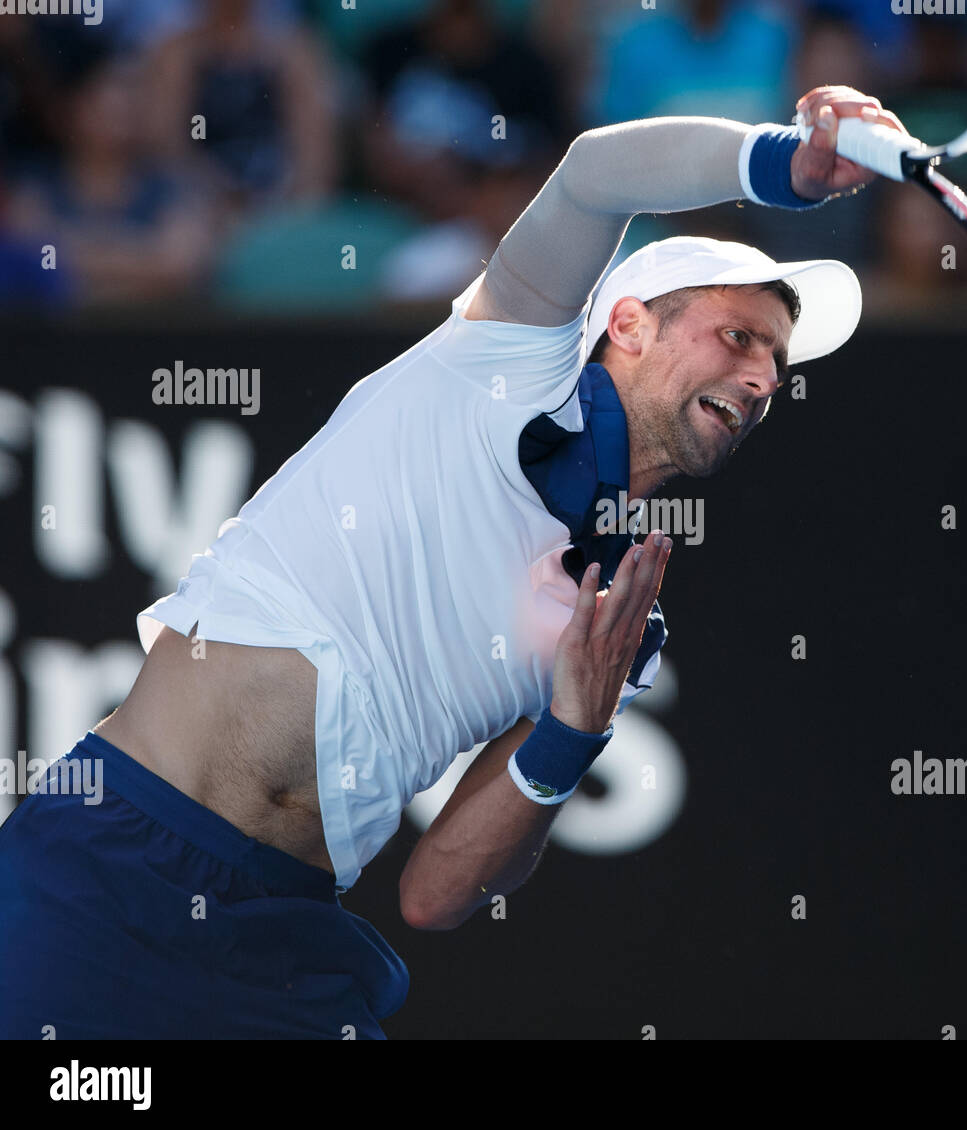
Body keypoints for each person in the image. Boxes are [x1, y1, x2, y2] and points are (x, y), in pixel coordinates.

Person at [0, 85, 898, 1039]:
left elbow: (435, 893)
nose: (763, 377)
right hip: (107, 868)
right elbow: (597, 173)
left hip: (281, 941)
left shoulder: (618, 626)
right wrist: (783, 164)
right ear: (628, 325)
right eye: (738, 336)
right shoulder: (507, 354)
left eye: (777, 363)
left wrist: (575, 726)